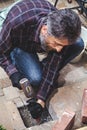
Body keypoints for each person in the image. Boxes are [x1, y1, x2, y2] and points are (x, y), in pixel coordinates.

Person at [0, 0, 84, 119]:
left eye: (62, 45)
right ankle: (19, 58)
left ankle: (40, 69)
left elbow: (53, 65)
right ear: (45, 30)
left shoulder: (59, 29)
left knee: (78, 44)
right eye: (56, 43)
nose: (59, 49)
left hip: (37, 37)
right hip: (20, 43)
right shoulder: (15, 24)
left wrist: (41, 100)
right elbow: (1, 52)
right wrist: (13, 73)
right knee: (35, 78)